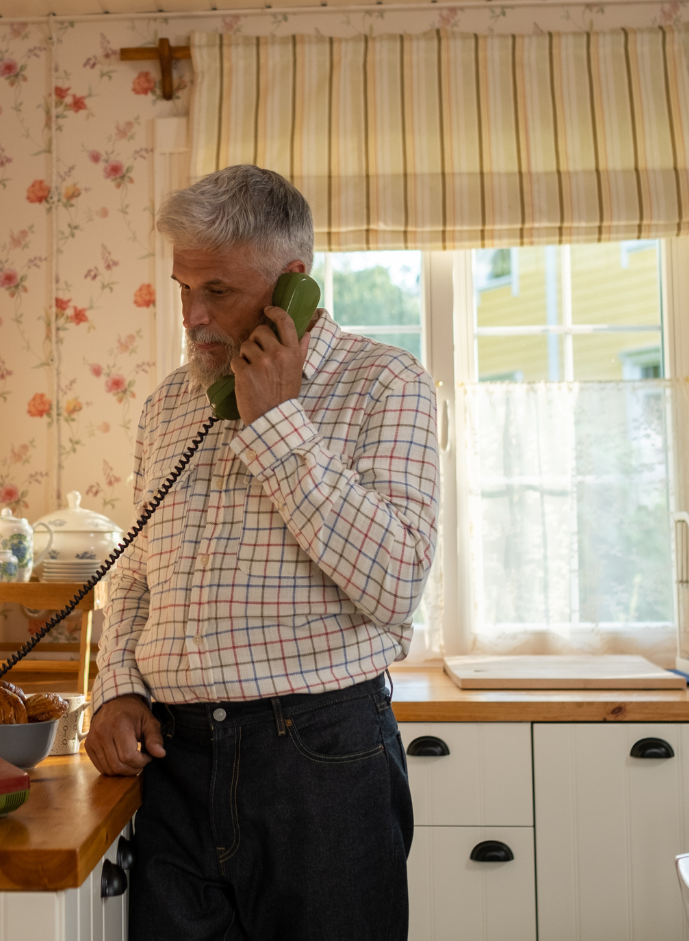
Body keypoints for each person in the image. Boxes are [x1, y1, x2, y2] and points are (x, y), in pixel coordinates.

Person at [86, 164, 439, 941]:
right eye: (183, 288)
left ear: (293, 284)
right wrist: (115, 687)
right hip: (175, 764)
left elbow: (396, 581)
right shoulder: (170, 405)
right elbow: (137, 578)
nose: (193, 316)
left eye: (218, 291)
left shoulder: (386, 384)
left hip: (319, 762)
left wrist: (277, 423)